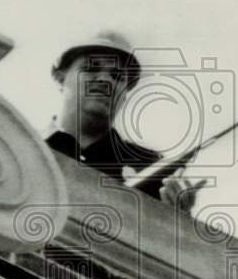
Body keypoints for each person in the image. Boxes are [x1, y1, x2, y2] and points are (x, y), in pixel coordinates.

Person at [44, 31, 203, 213]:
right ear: (59, 78)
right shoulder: (26, 146)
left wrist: (177, 219)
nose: (105, 80)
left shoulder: (152, 169)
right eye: (91, 69)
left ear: (126, 93)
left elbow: (162, 238)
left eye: (118, 76)